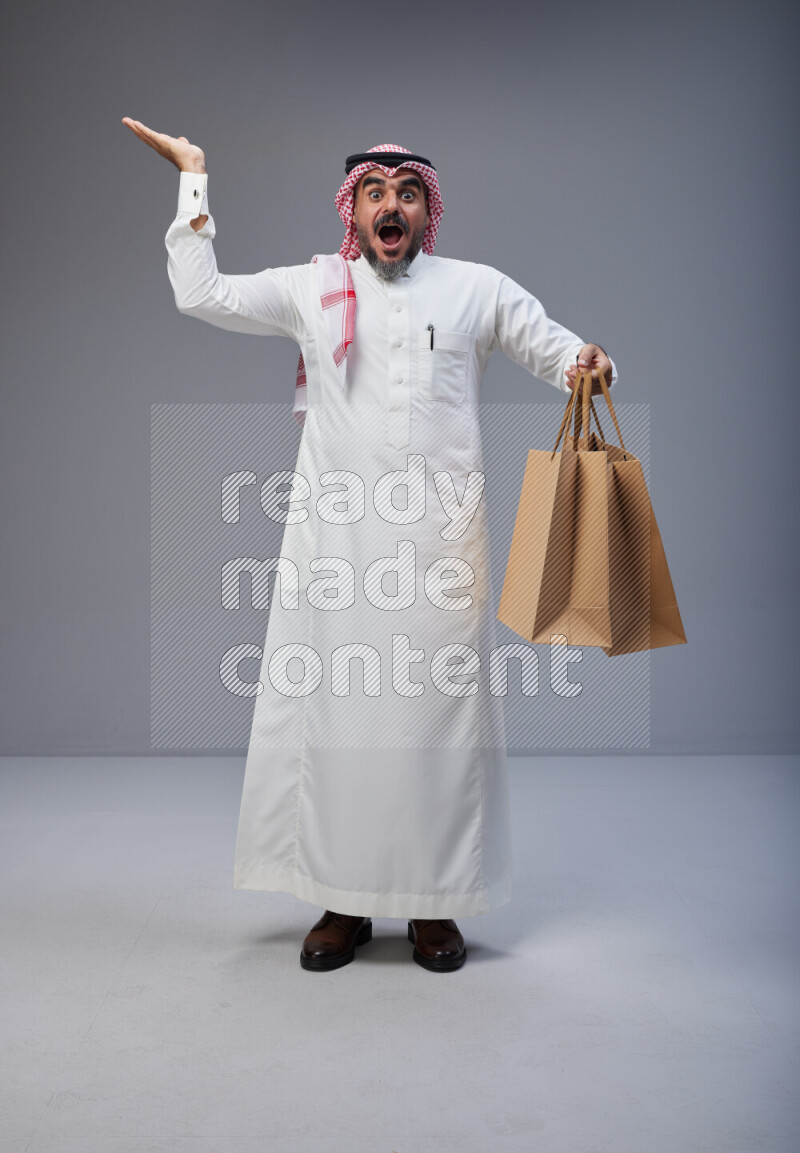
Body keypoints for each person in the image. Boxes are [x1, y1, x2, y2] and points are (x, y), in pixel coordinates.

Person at [122, 119, 617, 974]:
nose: (394, 206)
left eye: (409, 192)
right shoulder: (313, 288)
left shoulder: (475, 289)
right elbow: (202, 294)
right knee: (341, 728)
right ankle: (342, 901)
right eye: (376, 193)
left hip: (441, 549)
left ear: (429, 208)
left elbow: (553, 347)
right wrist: (194, 180)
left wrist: (588, 361)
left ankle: (433, 907)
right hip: (338, 550)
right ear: (353, 210)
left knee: (436, 730)